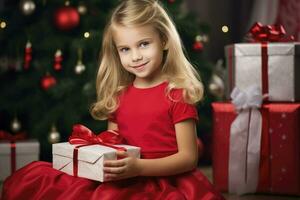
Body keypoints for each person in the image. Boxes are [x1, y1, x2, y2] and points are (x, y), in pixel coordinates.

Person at [1, 0, 224, 199]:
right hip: (124, 176)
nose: (135, 56)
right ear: (116, 52)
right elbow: (114, 143)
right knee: (43, 179)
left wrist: (139, 168)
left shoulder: (177, 93)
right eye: (125, 49)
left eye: (144, 44)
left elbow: (188, 158)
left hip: (166, 181)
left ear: (164, 40)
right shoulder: (119, 94)